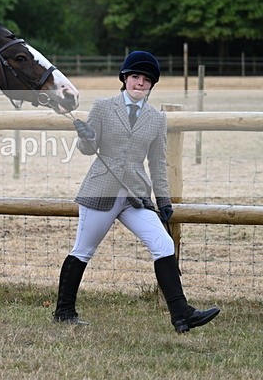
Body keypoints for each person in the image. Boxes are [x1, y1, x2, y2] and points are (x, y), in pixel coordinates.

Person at [53, 51, 220, 333]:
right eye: (134, 77)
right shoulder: (104, 107)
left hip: (135, 195)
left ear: (152, 85)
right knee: (83, 250)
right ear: (125, 79)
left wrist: (163, 200)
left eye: (146, 80)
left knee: (163, 245)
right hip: (101, 190)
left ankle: (182, 315)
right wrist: (87, 137)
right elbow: (86, 150)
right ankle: (64, 311)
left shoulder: (157, 118)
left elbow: (157, 162)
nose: (139, 83)